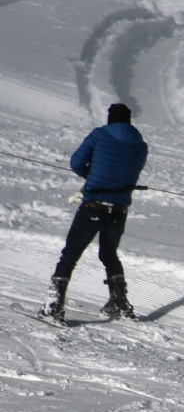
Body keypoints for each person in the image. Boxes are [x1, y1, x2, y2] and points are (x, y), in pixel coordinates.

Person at [41, 103, 149, 325]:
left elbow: (76, 163)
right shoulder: (141, 146)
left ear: (110, 119)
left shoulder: (99, 135)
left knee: (70, 255)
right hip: (119, 209)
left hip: (94, 205)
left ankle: (54, 307)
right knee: (109, 254)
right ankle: (119, 304)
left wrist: (93, 176)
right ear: (129, 121)